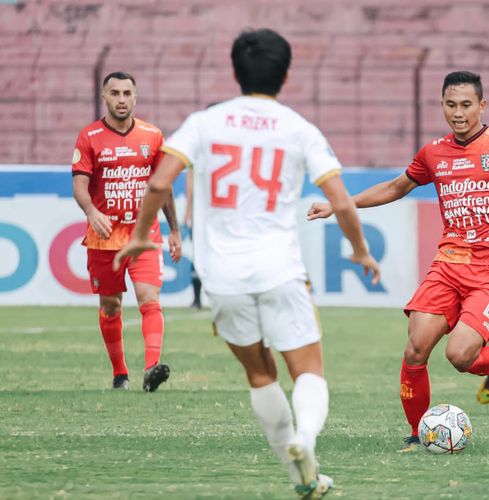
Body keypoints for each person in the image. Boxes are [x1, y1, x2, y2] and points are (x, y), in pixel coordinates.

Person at [114, 29, 379, 499]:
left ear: (235, 72)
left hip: (223, 279)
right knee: (309, 372)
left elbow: (158, 185)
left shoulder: (205, 123)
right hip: (280, 271)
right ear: (287, 75)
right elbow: (339, 198)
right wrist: (359, 250)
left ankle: (304, 476)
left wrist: (138, 238)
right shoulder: (298, 127)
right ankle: (307, 440)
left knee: (260, 376)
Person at [308, 71, 489, 452]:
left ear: (482, 106)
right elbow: (394, 188)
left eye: (466, 105)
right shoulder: (433, 153)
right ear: (442, 105)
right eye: (451, 105)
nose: (458, 113)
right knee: (415, 348)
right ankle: (416, 433)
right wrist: (339, 204)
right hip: (448, 265)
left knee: (458, 354)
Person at [72, 71, 181, 392]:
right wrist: (92, 212)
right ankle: (120, 374)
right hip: (105, 238)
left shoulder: (152, 135)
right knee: (111, 305)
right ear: (104, 97)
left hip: (144, 234)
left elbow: (163, 187)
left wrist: (174, 230)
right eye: (115, 93)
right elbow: (79, 186)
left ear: (136, 97)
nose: (121, 99)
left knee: (149, 297)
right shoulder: (89, 137)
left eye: (127, 93)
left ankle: (151, 369)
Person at [183, 168, 202, 308]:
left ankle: (197, 299)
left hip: (204, 214)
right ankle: (197, 298)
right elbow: (190, 181)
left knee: (199, 255)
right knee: (198, 255)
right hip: (202, 214)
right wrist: (188, 210)